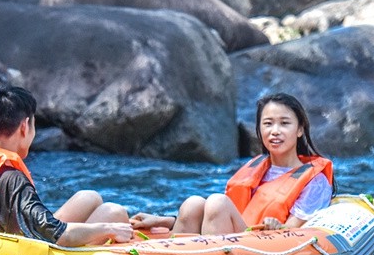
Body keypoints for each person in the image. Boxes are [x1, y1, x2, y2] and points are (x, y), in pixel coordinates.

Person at [0, 85, 134, 247]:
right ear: (25, 126)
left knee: (89, 197)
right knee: (114, 213)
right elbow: (58, 235)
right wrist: (108, 229)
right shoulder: (11, 177)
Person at [132, 93, 333, 236]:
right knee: (193, 204)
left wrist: (276, 226)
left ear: (300, 129)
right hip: (236, 238)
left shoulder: (315, 182)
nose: (275, 131)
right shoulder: (255, 167)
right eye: (268, 123)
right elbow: (221, 217)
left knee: (217, 202)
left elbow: (294, 232)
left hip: (261, 249)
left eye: (284, 123)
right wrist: (163, 221)